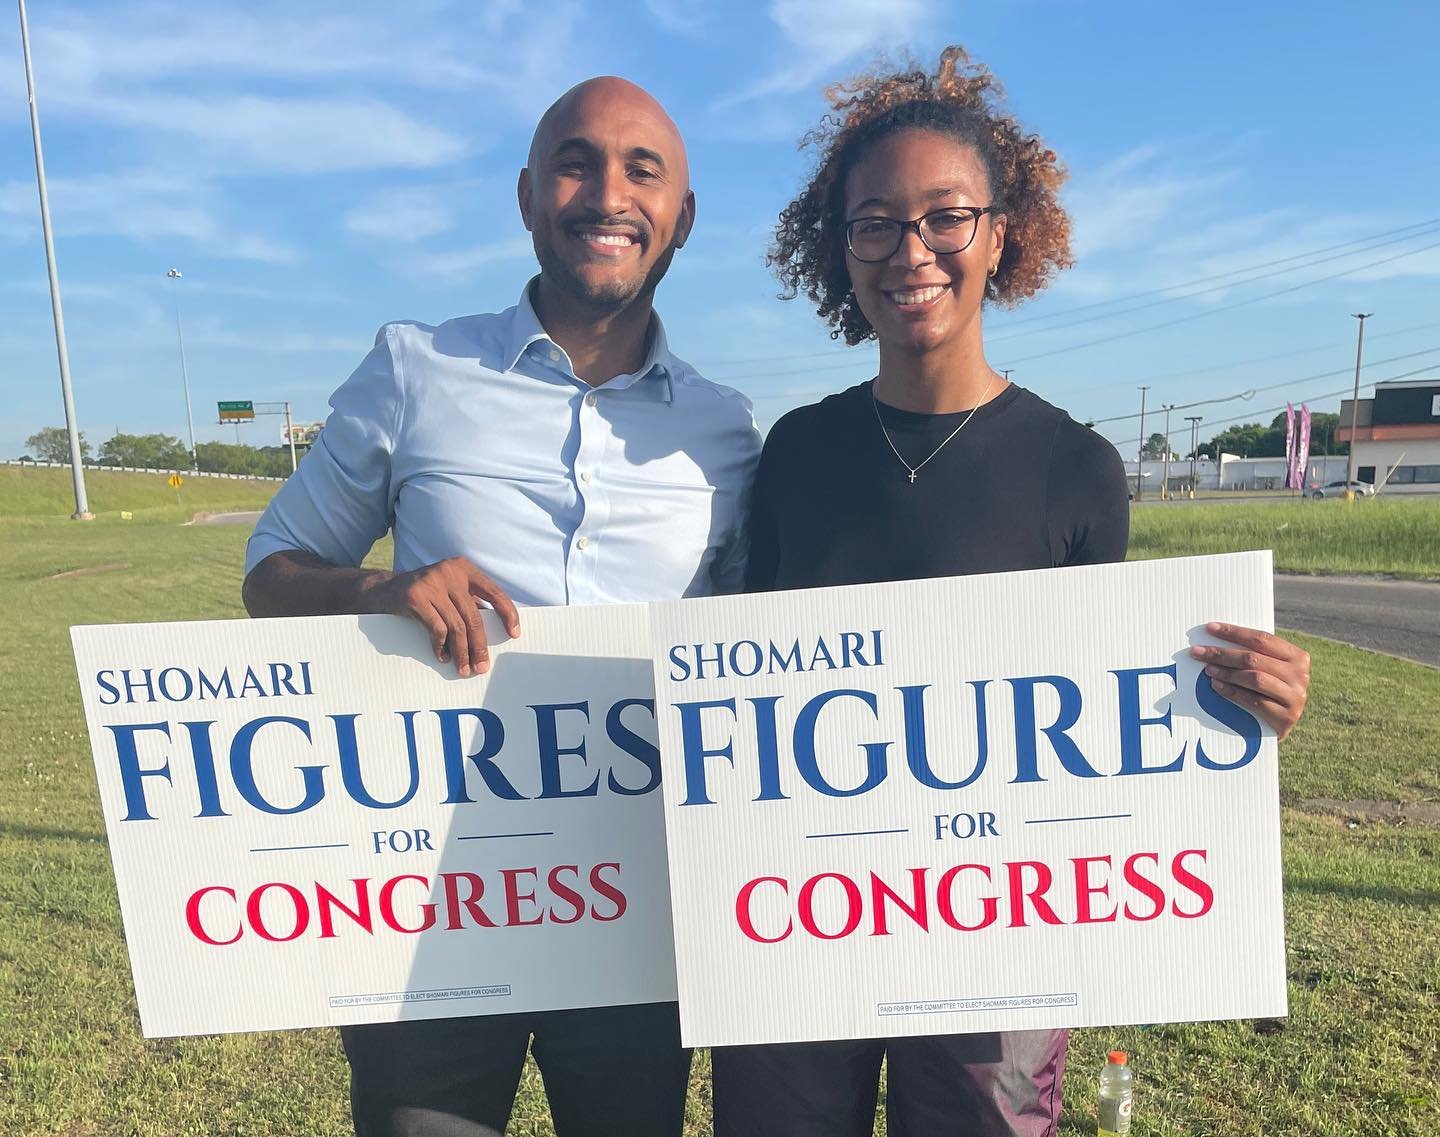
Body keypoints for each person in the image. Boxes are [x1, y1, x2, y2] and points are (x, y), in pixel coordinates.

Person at [711, 46, 1312, 1137]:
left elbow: (1117, 722)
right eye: (876, 223)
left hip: (999, 933)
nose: (913, 251)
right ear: (837, 248)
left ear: (1002, 232)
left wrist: (1248, 700)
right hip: (800, 916)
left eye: (947, 216)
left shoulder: (1075, 466)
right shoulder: (797, 452)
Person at [241, 77, 760, 1137]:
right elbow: (269, 573)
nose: (605, 192)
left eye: (642, 169)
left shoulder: (725, 432)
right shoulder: (417, 369)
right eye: (575, 161)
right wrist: (376, 587)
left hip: (635, 908)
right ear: (528, 195)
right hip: (431, 901)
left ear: (684, 220)